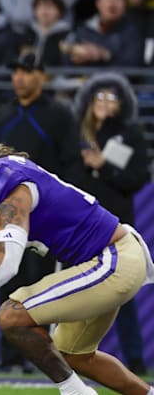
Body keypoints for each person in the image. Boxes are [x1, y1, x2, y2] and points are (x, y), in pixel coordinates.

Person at [0, 119, 154, 395]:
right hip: (107, 259)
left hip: (112, 260)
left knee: (12, 315)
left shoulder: (0, 182)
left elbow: (7, 263)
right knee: (73, 354)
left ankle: (76, 392)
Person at [0, 51, 85, 373]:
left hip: (45, 219)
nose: (20, 77)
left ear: (42, 76)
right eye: (16, 71)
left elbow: (72, 164)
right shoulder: (2, 115)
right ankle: (8, 357)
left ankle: (41, 357)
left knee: (41, 287)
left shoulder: (59, 115)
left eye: (27, 71)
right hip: (9, 213)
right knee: (5, 280)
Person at [73, 72, 151, 375]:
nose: (104, 103)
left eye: (111, 97)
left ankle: (134, 360)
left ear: (122, 103)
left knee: (123, 296)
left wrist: (103, 167)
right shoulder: (77, 133)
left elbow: (136, 179)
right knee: (74, 288)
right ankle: (68, 354)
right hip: (79, 223)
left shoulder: (129, 135)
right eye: (99, 96)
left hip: (116, 225)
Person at [63, 0, 144, 67]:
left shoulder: (133, 33)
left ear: (125, 4)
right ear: (97, 3)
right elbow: (66, 65)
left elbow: (132, 67)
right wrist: (77, 55)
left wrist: (104, 55)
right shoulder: (82, 31)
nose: (112, 3)